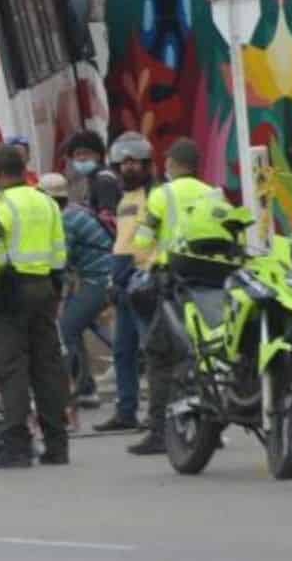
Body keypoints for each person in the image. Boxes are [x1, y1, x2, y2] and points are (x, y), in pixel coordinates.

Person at [0, 146, 69, 468]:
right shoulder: (46, 201)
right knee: (47, 367)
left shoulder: (1, 204)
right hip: (44, 288)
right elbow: (58, 251)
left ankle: (18, 445)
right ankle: (57, 445)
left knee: (11, 369)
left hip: (8, 292)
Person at [129, 137, 219, 455]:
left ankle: (160, 431)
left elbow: (142, 239)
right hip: (210, 284)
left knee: (159, 353)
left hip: (174, 283)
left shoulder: (161, 195)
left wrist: (145, 266)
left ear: (174, 164)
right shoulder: (212, 194)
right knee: (200, 351)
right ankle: (211, 428)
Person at [38, 173, 114, 410]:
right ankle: (87, 385)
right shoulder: (74, 210)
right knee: (79, 321)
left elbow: (61, 260)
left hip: (100, 279)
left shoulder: (64, 220)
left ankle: (81, 389)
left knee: (68, 327)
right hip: (103, 275)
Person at [95, 132, 155, 432]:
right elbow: (121, 240)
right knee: (123, 350)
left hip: (144, 280)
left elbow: (145, 243)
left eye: (134, 163)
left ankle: (158, 413)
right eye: (123, 163)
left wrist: (133, 273)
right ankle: (126, 410)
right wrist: (113, 278)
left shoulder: (156, 195)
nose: (128, 169)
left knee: (153, 349)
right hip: (122, 281)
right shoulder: (124, 199)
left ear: (146, 164)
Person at [64, 130, 121, 221]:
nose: (82, 158)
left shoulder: (104, 180)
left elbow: (108, 218)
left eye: (86, 153)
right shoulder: (91, 178)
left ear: (98, 155)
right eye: (77, 154)